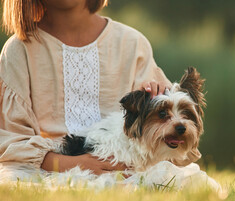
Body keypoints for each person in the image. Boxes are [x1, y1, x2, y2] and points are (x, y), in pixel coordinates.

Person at [0, 0, 173, 175]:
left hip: (128, 169)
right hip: (46, 170)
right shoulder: (19, 50)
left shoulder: (132, 44)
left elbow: (170, 137)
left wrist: (160, 99)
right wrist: (70, 164)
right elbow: (10, 138)